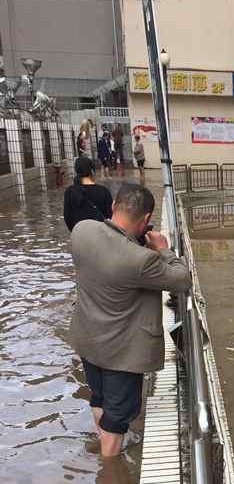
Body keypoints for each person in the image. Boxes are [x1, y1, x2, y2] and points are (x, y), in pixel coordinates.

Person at [68, 184, 191, 457]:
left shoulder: (82, 230)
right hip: (120, 352)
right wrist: (163, 249)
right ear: (146, 219)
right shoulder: (141, 260)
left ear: (113, 206)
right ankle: (109, 474)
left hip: (88, 338)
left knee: (98, 397)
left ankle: (102, 441)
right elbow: (182, 279)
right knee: (118, 416)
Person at [63, 156, 113, 231]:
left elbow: (68, 217)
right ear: (92, 171)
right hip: (101, 236)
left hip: (79, 236)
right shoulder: (104, 191)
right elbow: (110, 217)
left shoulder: (69, 192)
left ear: (76, 171)